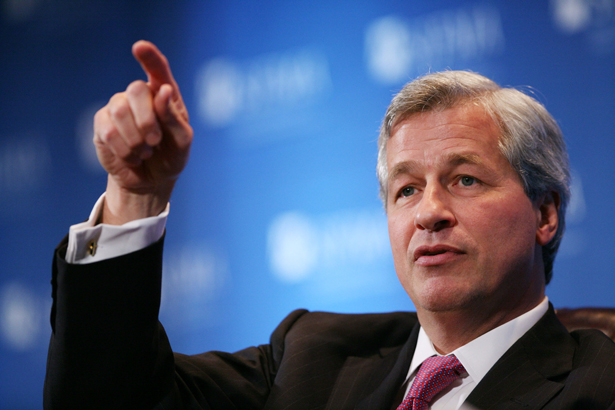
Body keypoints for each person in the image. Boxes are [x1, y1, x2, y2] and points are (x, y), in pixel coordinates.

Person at [43, 41, 615, 410]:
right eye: (406, 189)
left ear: (544, 214)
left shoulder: (598, 385)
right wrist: (135, 196)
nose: (428, 212)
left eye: (465, 179)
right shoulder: (311, 358)